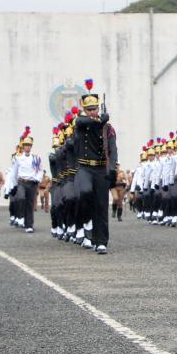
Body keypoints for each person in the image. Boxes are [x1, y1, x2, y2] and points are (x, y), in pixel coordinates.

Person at [74, 80, 118, 254]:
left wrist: (113, 168)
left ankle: (101, 241)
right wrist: (99, 120)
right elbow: (81, 121)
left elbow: (113, 150)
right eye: (89, 109)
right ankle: (86, 222)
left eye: (95, 109)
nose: (92, 112)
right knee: (84, 193)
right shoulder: (82, 123)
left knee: (101, 205)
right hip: (85, 168)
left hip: (100, 169)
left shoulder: (107, 129)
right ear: (84, 110)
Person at [8, 129, 44, 233]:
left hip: (32, 183)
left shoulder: (36, 158)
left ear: (31, 146)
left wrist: (38, 179)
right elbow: (14, 172)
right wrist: (13, 185)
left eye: (29, 145)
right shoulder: (18, 158)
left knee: (30, 204)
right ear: (23, 147)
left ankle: (29, 225)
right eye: (26, 145)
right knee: (20, 198)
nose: (27, 147)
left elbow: (40, 170)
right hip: (21, 182)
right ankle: (21, 216)